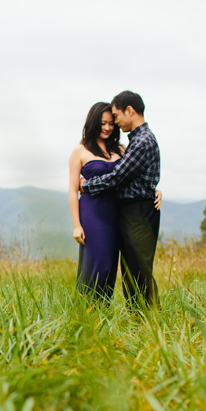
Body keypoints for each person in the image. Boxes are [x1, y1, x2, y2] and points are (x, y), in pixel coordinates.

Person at [69, 100, 162, 302]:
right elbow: (72, 190)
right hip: (93, 213)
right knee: (98, 263)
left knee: (113, 265)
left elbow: (131, 173)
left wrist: (153, 190)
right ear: (93, 122)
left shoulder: (121, 148)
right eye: (103, 123)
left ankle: (104, 312)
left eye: (112, 123)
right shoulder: (80, 151)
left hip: (118, 212)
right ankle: (87, 311)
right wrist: (76, 225)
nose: (108, 127)